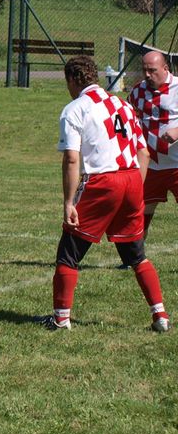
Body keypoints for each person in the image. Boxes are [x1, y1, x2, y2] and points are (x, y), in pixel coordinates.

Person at [41, 55, 169, 332]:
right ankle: (160, 316)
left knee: (68, 254)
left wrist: (68, 202)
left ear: (73, 79)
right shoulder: (123, 104)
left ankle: (61, 319)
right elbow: (144, 152)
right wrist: (135, 188)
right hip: (132, 178)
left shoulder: (75, 109)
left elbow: (72, 159)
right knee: (136, 255)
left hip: (103, 182)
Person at [128, 50, 178, 239]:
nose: (147, 75)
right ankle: (136, 254)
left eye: (152, 70)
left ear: (165, 68)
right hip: (150, 166)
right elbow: (127, 117)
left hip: (176, 165)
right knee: (139, 215)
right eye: (144, 70)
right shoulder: (137, 91)